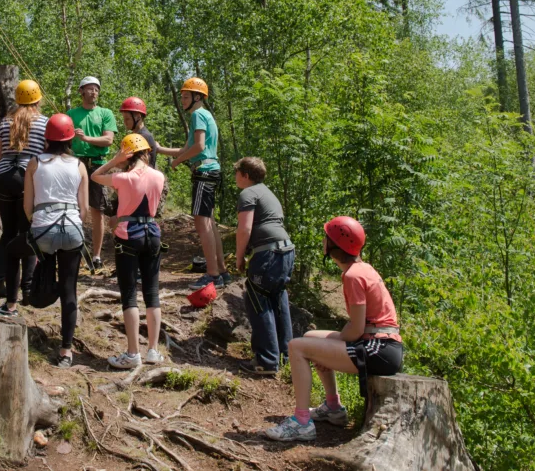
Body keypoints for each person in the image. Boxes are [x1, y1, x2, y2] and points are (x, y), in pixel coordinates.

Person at [265, 216, 403, 442]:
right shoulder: (361, 269)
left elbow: (357, 328)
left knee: (297, 347)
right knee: (310, 337)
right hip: (381, 344)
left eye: (326, 237)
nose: (322, 240)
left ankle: (301, 423)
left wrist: (331, 344)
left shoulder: (353, 276)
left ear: (334, 244)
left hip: (379, 349)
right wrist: (326, 345)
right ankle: (333, 407)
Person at [0, 114, 90, 368]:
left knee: (12, 251)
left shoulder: (35, 162)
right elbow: (84, 209)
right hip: (73, 228)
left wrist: (40, 228)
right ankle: (66, 351)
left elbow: (27, 206)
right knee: (70, 290)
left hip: (43, 229)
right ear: (69, 140)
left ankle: (11, 305)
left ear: (47, 138)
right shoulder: (79, 165)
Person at [91, 134, 167, 369]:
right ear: (146, 152)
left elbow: (95, 176)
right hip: (152, 234)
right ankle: (153, 351)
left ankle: (133, 353)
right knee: (152, 293)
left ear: (127, 155)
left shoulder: (122, 177)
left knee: (129, 294)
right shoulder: (159, 176)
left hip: (127, 236)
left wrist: (114, 160)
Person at [160, 77, 230, 289]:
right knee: (209, 223)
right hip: (209, 170)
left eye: (186, 96)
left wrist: (179, 161)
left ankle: (213, 275)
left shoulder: (198, 115)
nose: (182, 100)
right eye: (182, 96)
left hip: (204, 172)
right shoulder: (204, 115)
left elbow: (198, 147)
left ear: (198, 97)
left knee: (202, 224)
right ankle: (222, 272)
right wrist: (160, 148)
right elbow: (186, 149)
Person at [0, 80, 48, 304]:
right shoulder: (44, 123)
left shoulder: (5, 123)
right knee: (28, 234)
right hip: (27, 178)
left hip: (3, 177)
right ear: (38, 99)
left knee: (8, 232)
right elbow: (48, 153)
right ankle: (28, 288)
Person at [234, 157, 294, 377]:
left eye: (237, 172)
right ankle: (287, 357)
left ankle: (267, 360)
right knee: (278, 299)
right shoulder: (267, 192)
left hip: (269, 253)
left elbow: (245, 229)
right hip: (286, 250)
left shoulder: (248, 193)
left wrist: (240, 258)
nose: (235, 177)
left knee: (257, 300)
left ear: (246, 175)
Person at [67, 76, 117, 272]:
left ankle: (96, 255)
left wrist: (85, 138)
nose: (93, 92)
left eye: (96, 89)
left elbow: (108, 140)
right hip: (76, 162)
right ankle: (72, 250)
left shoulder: (105, 113)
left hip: (97, 165)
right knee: (72, 207)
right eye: (89, 89)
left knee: (98, 210)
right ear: (81, 91)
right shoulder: (71, 114)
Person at [119, 97, 158, 166]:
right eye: (124, 119)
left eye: (127, 119)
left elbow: (122, 164)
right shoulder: (138, 135)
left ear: (138, 117)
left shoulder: (143, 137)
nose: (124, 122)